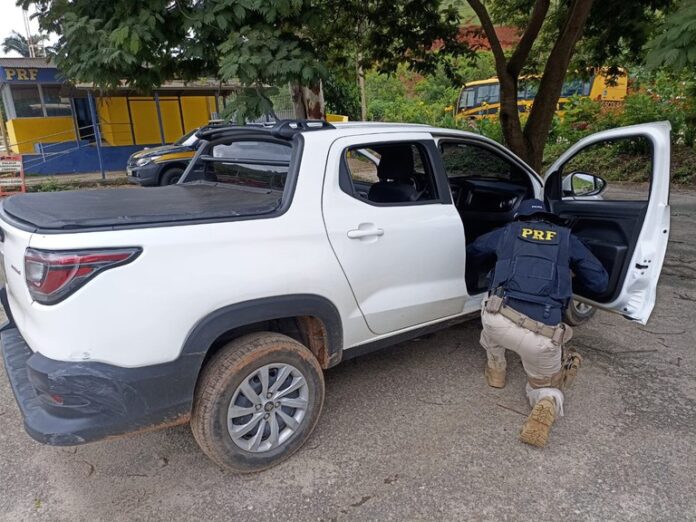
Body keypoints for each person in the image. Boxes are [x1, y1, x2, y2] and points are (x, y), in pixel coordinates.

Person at [466, 199, 609, 447]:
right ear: (549, 219)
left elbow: (474, 251)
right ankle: (546, 401)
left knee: (489, 312)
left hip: (498, 323)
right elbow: (599, 283)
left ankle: (496, 371)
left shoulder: (508, 232)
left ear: (519, 218)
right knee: (545, 385)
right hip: (542, 337)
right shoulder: (566, 239)